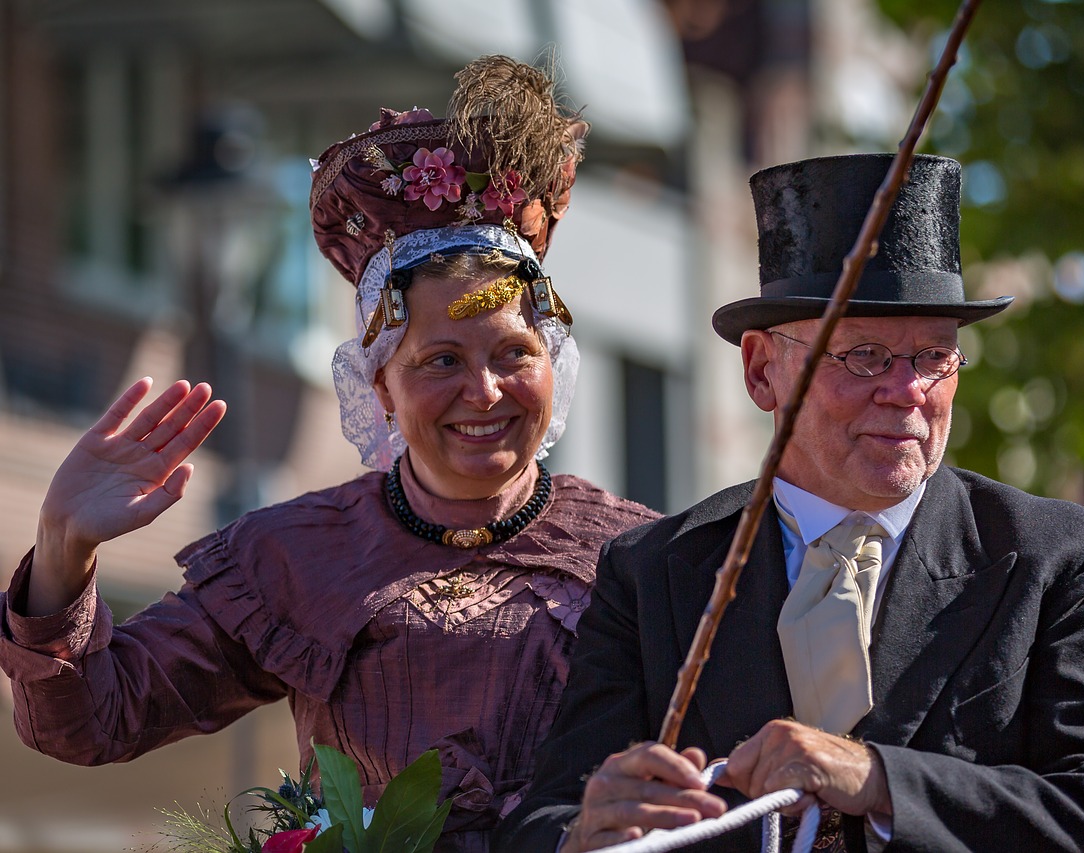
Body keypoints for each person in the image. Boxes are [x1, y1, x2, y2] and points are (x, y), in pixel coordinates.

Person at [0, 55, 658, 852]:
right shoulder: (293, 555)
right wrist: (64, 548)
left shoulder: (644, 557)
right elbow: (90, 721)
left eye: (515, 354)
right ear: (380, 385)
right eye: (441, 360)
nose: (484, 392)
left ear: (555, 363)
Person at [495, 154, 1084, 852]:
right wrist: (582, 835)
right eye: (864, 355)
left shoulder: (1064, 561)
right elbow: (542, 824)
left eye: (934, 356)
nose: (908, 389)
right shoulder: (653, 573)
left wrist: (881, 777)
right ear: (763, 369)